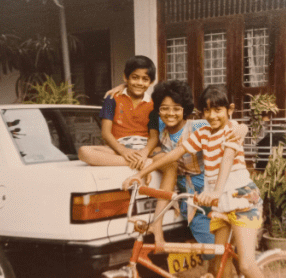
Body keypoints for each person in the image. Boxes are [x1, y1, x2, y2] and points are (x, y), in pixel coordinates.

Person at [127, 84, 263, 278]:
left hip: (242, 202)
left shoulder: (232, 130)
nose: (212, 115)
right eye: (207, 110)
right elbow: (174, 154)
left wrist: (216, 191)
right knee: (217, 266)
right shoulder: (203, 133)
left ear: (230, 110)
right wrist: (139, 174)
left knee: (246, 266)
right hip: (220, 205)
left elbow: (227, 160)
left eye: (218, 110)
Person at [140, 79, 216, 254]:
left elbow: (226, 128)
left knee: (223, 243)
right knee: (209, 246)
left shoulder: (198, 127)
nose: (170, 113)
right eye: (164, 108)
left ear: (185, 110)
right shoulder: (161, 130)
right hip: (187, 196)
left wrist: (239, 127)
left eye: (176, 108)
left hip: (208, 189)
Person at [79, 55, 159, 168]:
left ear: (151, 82)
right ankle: (146, 163)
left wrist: (144, 153)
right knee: (84, 152)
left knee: (163, 153)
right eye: (135, 77)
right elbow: (106, 133)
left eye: (145, 79)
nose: (139, 83)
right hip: (118, 149)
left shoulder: (153, 105)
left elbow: (154, 137)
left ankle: (136, 160)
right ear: (126, 78)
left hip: (144, 149)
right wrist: (124, 151)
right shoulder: (112, 99)